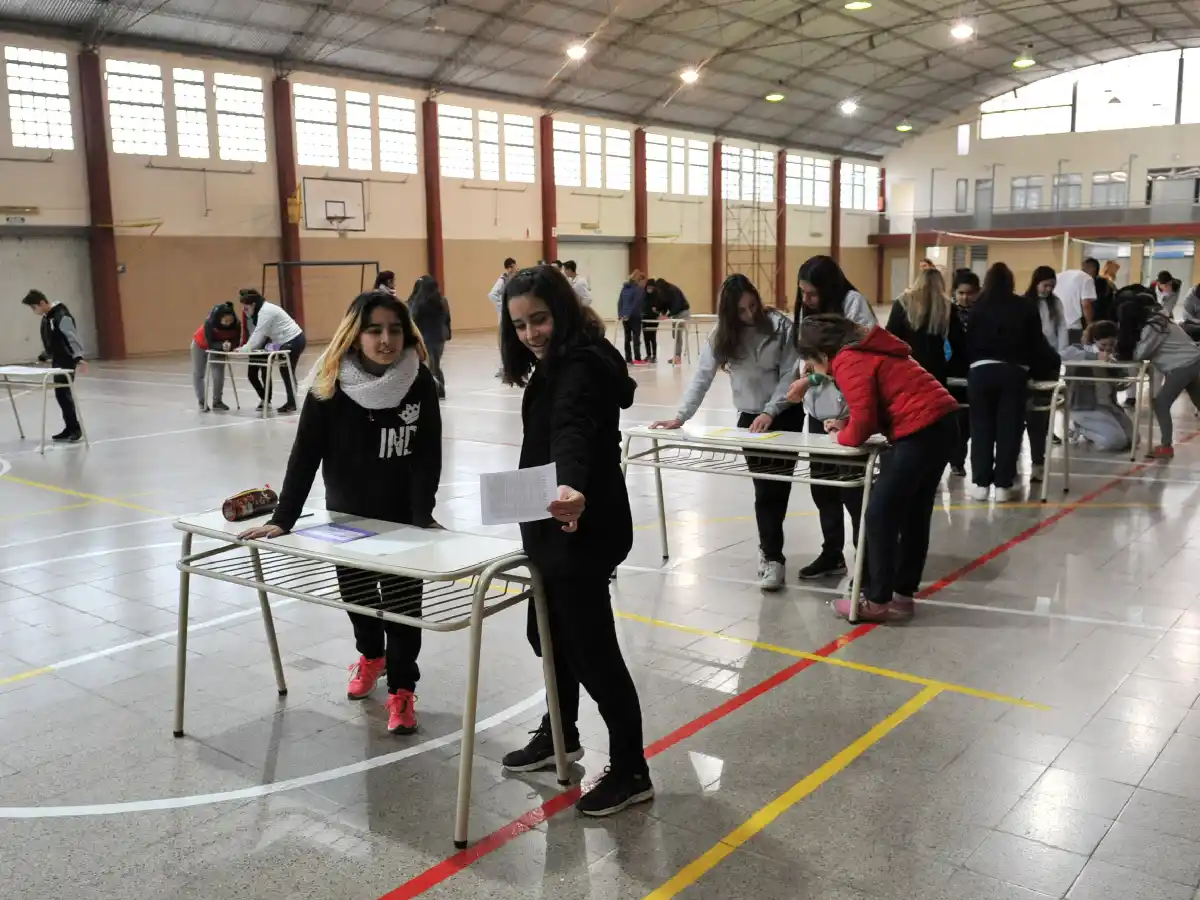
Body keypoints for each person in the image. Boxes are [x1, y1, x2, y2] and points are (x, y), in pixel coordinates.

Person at [238, 291, 442, 734]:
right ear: (356, 334)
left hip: (403, 517)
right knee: (359, 598)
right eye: (374, 330)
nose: (385, 339)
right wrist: (283, 518)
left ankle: (402, 689)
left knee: (405, 604)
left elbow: (428, 451)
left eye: (394, 329)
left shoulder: (418, 380)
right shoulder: (329, 383)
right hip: (348, 518)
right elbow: (305, 453)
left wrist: (422, 513)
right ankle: (371, 656)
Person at [497, 265, 653, 817]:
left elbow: (574, 428)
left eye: (539, 319)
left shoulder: (580, 366)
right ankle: (560, 735)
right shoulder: (556, 360)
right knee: (549, 636)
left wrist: (571, 482)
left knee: (592, 651)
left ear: (560, 311)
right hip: (553, 517)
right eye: (519, 326)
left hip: (579, 522)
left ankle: (632, 769)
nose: (531, 333)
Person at [794, 315, 959, 623]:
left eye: (811, 363)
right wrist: (847, 423)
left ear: (822, 355)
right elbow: (877, 404)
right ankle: (902, 595)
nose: (813, 371)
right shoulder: (867, 349)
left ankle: (877, 599)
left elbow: (861, 428)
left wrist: (840, 434)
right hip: (942, 424)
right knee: (913, 516)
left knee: (879, 514)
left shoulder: (847, 360)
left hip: (920, 431)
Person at [651, 274, 802, 591]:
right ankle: (772, 556)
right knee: (765, 490)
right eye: (741, 311)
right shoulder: (723, 334)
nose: (749, 315)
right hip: (750, 420)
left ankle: (772, 552)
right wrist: (681, 416)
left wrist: (771, 411)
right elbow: (702, 376)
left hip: (785, 414)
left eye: (752, 305)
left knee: (778, 488)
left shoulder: (781, 326)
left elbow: (790, 374)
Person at [792, 255, 876, 579]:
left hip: (848, 412)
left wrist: (812, 378)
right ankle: (832, 553)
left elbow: (856, 356)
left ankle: (865, 562)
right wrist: (801, 379)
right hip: (817, 414)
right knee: (822, 488)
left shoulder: (853, 304)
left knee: (853, 491)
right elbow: (805, 356)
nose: (806, 300)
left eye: (812, 293)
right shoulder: (807, 310)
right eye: (802, 292)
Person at [966, 263, 1057, 502]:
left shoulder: (978, 308)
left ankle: (980, 484)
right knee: (1009, 429)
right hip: (1014, 373)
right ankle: (1004, 486)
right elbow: (1037, 344)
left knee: (981, 429)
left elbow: (968, 343)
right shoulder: (1025, 307)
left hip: (980, 372)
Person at [1115, 288, 1200, 459]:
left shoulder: (1153, 326)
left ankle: (1166, 446)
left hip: (1182, 366)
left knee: (1161, 404)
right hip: (1192, 361)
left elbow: (1141, 354)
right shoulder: (1161, 320)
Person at [20, 289, 86, 442]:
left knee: (64, 394)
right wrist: (46, 354)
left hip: (67, 359)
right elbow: (53, 339)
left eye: (33, 307)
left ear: (42, 303)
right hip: (57, 359)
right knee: (61, 395)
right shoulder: (47, 317)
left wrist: (78, 356)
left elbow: (71, 336)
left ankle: (75, 429)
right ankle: (69, 427)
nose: (33, 311)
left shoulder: (61, 315)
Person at [1023, 266, 1069, 482]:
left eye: (1052, 286)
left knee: (1045, 405)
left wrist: (1061, 354)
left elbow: (1062, 328)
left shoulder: (1055, 303)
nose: (1048, 289)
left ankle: (1046, 434)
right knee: (1029, 404)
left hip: (1050, 360)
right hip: (1031, 360)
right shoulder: (1025, 303)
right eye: (1045, 285)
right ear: (1036, 282)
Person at [885, 267, 964, 386]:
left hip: (908, 365)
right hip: (936, 368)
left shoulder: (902, 303)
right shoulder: (947, 307)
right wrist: (952, 367)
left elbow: (890, 337)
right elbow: (959, 342)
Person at [1062, 323, 1133, 452]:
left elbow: (1121, 382)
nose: (1108, 349)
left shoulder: (1113, 357)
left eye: (1111, 345)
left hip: (1108, 406)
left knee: (1133, 440)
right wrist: (1095, 357)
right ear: (1094, 341)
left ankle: (1091, 428)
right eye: (1103, 345)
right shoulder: (1079, 350)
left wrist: (1121, 378)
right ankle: (1079, 427)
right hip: (1086, 407)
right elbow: (1064, 355)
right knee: (1117, 442)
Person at [238, 288, 307, 413]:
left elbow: (258, 335)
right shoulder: (264, 309)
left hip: (292, 341)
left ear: (253, 304)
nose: (245, 310)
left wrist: (243, 350)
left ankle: (292, 403)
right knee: (282, 366)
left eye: (246, 307)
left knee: (286, 371)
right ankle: (290, 402)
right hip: (283, 341)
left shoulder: (266, 312)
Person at [191, 301, 241, 411]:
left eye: (230, 320)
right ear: (219, 319)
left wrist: (230, 345)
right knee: (199, 373)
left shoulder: (237, 324)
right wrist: (222, 345)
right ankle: (202, 401)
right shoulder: (209, 323)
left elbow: (236, 342)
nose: (228, 323)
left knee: (219, 373)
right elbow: (210, 343)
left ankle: (217, 401)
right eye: (225, 321)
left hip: (220, 346)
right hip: (200, 344)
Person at [407, 275, 451, 399]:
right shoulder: (442, 301)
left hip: (427, 338)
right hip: (439, 338)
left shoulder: (420, 303)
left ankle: (433, 391)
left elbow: (413, 318)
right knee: (435, 365)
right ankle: (439, 391)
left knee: (430, 367)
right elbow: (447, 319)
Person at [489, 257, 517, 377]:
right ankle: (503, 368)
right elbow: (492, 294)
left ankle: (514, 367)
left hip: (514, 314)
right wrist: (502, 306)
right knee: (504, 341)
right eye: (515, 266)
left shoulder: (514, 278)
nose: (516, 268)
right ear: (510, 267)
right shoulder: (502, 280)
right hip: (505, 316)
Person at [652, 278, 691, 364]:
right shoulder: (663, 292)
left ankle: (678, 357)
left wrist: (667, 316)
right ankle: (677, 356)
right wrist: (659, 311)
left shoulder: (673, 291)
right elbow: (664, 304)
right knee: (675, 334)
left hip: (683, 312)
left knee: (678, 334)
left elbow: (677, 306)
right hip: (676, 313)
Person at [1052, 268, 1097, 343]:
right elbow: (1086, 304)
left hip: (1055, 325)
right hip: (1073, 326)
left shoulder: (1059, 276)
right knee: (1074, 352)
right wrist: (1090, 326)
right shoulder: (1087, 278)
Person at [617, 271, 647, 365]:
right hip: (634, 316)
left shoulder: (624, 289)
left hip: (624, 317)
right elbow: (636, 303)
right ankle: (637, 358)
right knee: (636, 338)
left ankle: (628, 358)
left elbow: (620, 302)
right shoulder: (638, 289)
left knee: (627, 338)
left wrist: (621, 314)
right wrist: (629, 314)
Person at [1082, 257, 1116, 325]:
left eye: (1085, 268)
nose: (1082, 270)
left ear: (1093, 268)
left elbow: (1089, 304)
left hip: (1098, 320)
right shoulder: (1105, 282)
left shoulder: (1101, 283)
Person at [641, 278, 661, 363]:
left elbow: (660, 308)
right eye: (648, 287)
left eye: (651, 288)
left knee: (653, 337)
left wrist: (656, 310)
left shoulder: (657, 296)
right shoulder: (644, 295)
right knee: (646, 337)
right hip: (645, 318)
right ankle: (648, 354)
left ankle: (654, 355)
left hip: (653, 319)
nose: (649, 289)